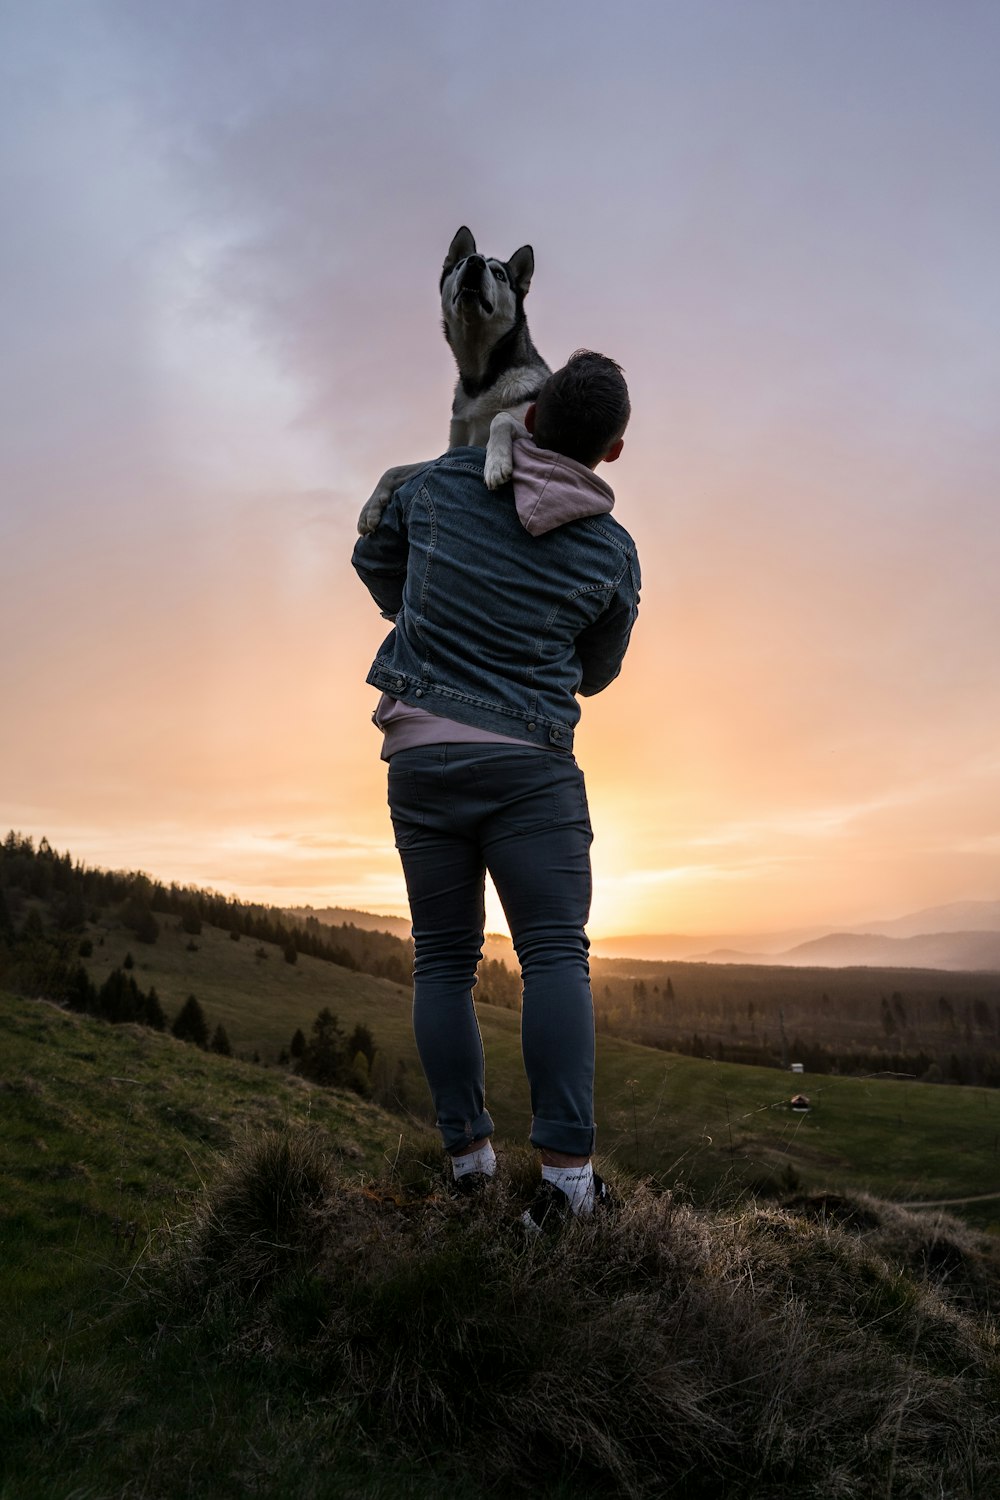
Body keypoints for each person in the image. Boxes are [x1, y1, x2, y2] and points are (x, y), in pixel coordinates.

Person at [352, 350, 640, 1231]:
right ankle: (564, 1192)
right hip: (530, 767)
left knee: (442, 962)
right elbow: (597, 674)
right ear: (614, 451)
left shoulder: (436, 487)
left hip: (421, 755)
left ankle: (470, 1166)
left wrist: (436, 612)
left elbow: (376, 565)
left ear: (536, 408)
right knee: (554, 955)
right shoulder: (611, 550)